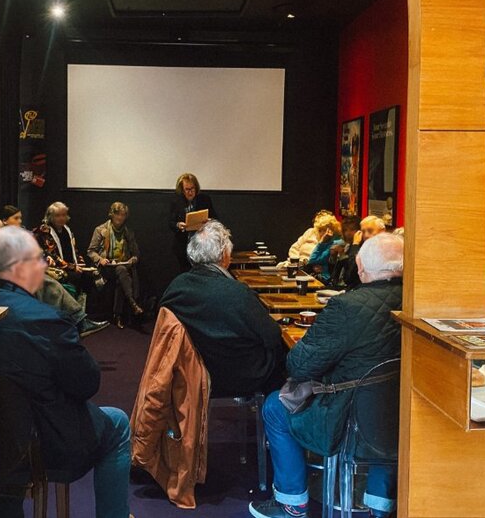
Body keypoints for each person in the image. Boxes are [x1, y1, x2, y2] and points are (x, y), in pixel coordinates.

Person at [248, 233, 404, 518]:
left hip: (349, 422)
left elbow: (299, 365)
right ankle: (381, 503)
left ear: (361, 268)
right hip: (403, 417)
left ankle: (291, 502)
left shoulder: (347, 306)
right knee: (387, 398)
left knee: (274, 406)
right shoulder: (419, 301)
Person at [0, 226, 133, 518]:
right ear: (18, 267)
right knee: (118, 423)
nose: (44, 265)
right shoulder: (46, 321)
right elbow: (87, 383)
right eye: (38, 259)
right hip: (45, 441)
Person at [160, 220, 286, 397]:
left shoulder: (176, 288)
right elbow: (273, 335)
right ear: (224, 256)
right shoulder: (238, 293)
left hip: (191, 374)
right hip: (241, 376)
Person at [87, 202, 143, 328]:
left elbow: (136, 254)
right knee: (121, 273)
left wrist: (133, 259)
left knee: (121, 275)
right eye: (118, 215)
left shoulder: (128, 232)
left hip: (121, 266)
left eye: (123, 215)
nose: (120, 218)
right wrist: (100, 259)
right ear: (112, 215)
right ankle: (131, 303)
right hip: (105, 267)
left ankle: (118, 314)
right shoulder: (101, 230)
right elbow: (90, 251)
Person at [34, 201, 96, 296]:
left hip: (70, 266)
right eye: (57, 215)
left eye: (63, 215)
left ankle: (83, 307)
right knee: (76, 277)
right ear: (51, 217)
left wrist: (81, 264)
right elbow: (52, 255)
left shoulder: (67, 229)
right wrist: (72, 267)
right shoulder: (44, 231)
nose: (61, 218)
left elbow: (74, 250)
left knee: (90, 276)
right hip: (53, 268)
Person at [169, 172, 218, 271]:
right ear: (182, 190)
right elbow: (170, 222)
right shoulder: (176, 201)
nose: (190, 192)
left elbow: (215, 218)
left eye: (192, 189)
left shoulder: (204, 199)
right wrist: (178, 225)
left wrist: (209, 221)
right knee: (184, 271)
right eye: (187, 189)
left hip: (202, 243)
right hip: (183, 244)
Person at [305, 214, 343, 285]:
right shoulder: (325, 243)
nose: (321, 233)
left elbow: (312, 260)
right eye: (319, 230)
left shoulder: (336, 243)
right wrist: (321, 242)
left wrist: (321, 242)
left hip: (327, 281)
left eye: (324, 230)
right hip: (320, 279)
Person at [328, 215, 361, 290]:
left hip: (350, 288)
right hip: (337, 286)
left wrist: (342, 255)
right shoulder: (347, 246)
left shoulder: (359, 248)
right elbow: (334, 274)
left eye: (352, 229)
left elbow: (350, 274)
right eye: (345, 230)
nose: (348, 233)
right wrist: (333, 257)